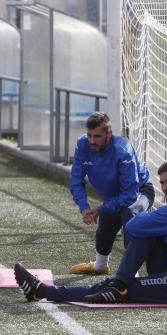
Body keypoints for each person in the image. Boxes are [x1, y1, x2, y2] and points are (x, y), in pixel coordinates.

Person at [14, 158, 167, 305]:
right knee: (144, 237)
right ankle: (118, 284)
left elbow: (131, 227)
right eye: (162, 182)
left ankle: (43, 292)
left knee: (115, 284)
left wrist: (138, 209)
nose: (166, 187)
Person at [69, 111, 154, 275]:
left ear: (108, 134)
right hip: (115, 196)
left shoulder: (123, 150)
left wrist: (100, 209)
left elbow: (130, 194)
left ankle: (131, 275)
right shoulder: (82, 145)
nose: (92, 141)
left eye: (97, 136)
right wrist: (84, 207)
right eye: (89, 135)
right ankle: (100, 266)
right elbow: (76, 180)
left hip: (139, 191)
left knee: (130, 217)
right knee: (106, 223)